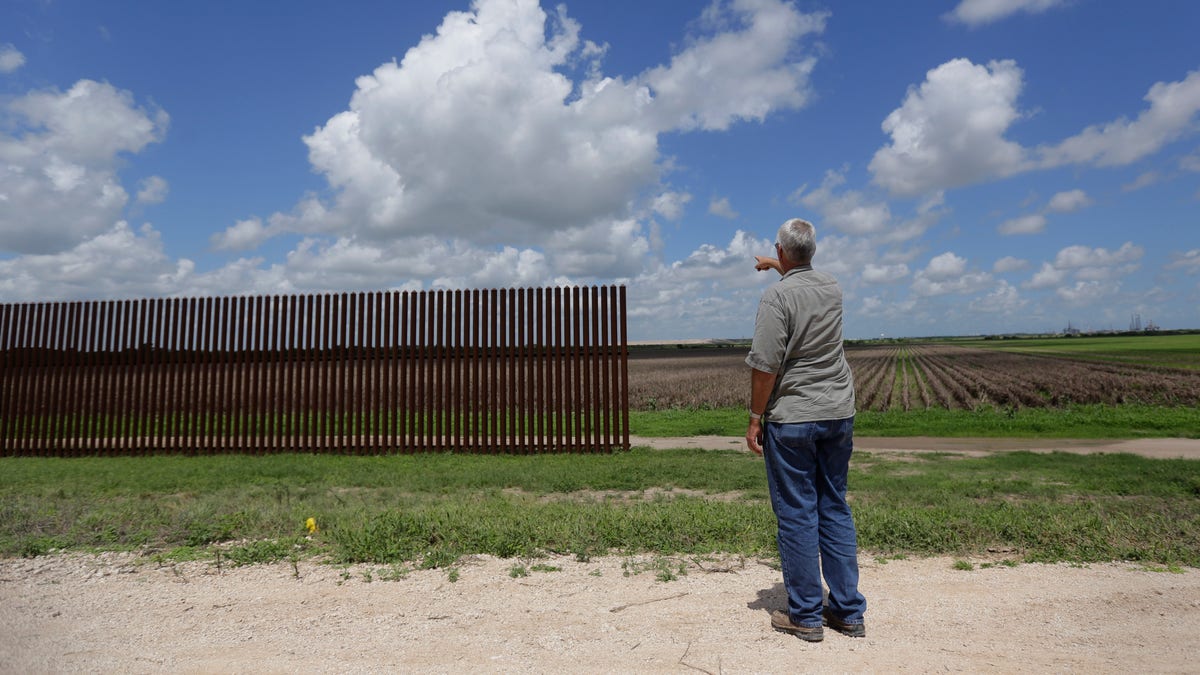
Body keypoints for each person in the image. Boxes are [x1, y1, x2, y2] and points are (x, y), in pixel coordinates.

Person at [745, 218, 867, 643]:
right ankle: (849, 612)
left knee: (797, 512)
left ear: (781, 252)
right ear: (811, 251)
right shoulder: (832, 286)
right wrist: (778, 264)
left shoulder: (775, 299)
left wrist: (755, 417)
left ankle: (806, 617)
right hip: (838, 411)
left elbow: (765, 364)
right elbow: (803, 281)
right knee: (834, 505)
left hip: (794, 415)